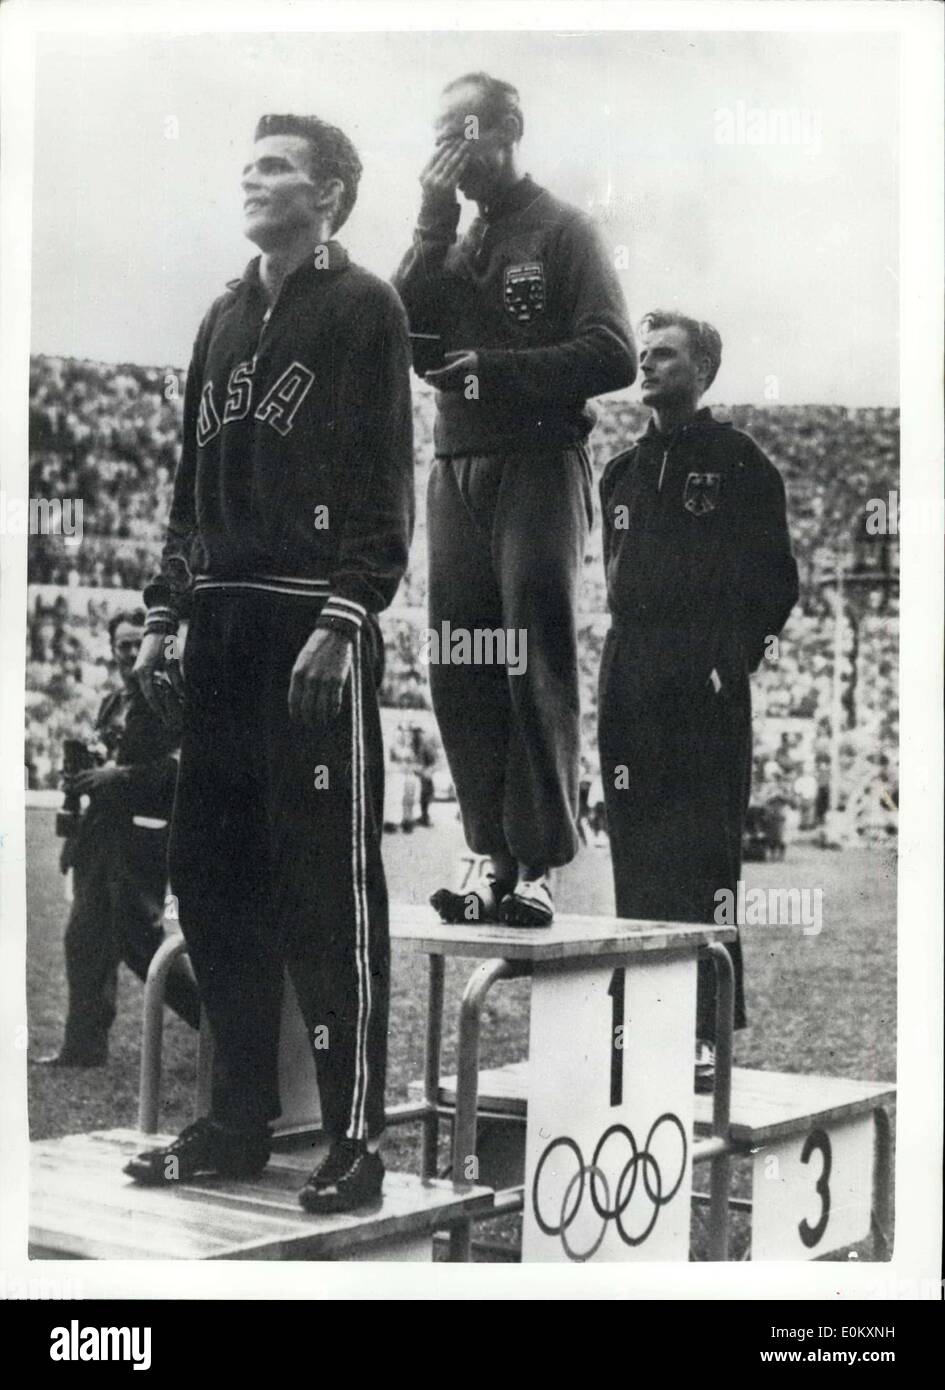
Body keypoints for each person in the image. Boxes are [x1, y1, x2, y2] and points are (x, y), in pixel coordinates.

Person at [124, 114, 414, 1214]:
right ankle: (236, 1120)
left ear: (331, 190)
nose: (253, 177)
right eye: (246, 164)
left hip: (307, 631)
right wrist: (162, 613)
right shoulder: (221, 312)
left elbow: (385, 473)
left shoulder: (365, 305)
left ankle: (353, 1136)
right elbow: (187, 486)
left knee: (323, 894)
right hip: (222, 632)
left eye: (279, 166)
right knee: (212, 881)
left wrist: (345, 616)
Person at [393, 71, 635, 926]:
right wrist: (428, 223)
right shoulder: (449, 237)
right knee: (459, 653)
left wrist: (495, 371)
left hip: (537, 455)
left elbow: (613, 352)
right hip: (457, 460)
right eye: (438, 133)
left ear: (509, 129)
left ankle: (537, 858)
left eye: (463, 128)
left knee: (528, 645)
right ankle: (485, 848)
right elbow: (399, 331)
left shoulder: (563, 228)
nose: (450, 152)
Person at [597, 311, 798, 1090]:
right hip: (629, 666)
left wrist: (728, 656)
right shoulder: (617, 468)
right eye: (643, 354)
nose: (646, 364)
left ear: (703, 370)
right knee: (635, 847)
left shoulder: (739, 460)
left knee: (703, 853)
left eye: (665, 355)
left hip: (702, 671)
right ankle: (637, 1020)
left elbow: (775, 580)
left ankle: (706, 1031)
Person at [32, 610, 200, 1068]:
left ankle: (220, 1030)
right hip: (98, 835)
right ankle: (83, 1045)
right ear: (111, 649)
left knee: (141, 943)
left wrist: (117, 775)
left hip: (141, 835)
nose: (128, 652)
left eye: (135, 643)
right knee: (83, 939)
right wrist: (87, 773)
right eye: (121, 644)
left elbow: (180, 768)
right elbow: (104, 762)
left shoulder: (168, 697)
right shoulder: (112, 702)